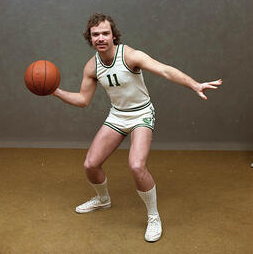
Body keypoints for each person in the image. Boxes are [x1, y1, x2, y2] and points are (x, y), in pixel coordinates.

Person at [52, 13, 222, 242]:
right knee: (90, 165)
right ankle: (103, 200)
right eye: (95, 35)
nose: (100, 38)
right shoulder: (91, 67)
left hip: (141, 114)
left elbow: (164, 70)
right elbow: (83, 100)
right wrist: (55, 91)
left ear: (113, 36)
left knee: (136, 166)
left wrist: (194, 84)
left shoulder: (130, 56)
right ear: (90, 38)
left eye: (105, 33)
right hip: (117, 116)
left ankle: (154, 216)